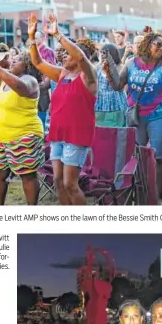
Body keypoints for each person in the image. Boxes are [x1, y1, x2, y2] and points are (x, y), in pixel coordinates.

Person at [108, 33, 162, 202]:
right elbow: (117, 85)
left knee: (160, 156)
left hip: (159, 115)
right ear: (147, 44)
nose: (161, 48)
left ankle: (158, 196)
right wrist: (108, 70)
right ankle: (140, 190)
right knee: (137, 155)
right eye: (157, 44)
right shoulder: (131, 64)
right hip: (137, 116)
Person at [29, 13, 97, 205]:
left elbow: (81, 56)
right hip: (58, 134)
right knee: (58, 181)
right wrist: (32, 38)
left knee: (70, 184)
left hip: (77, 136)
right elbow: (38, 62)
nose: (62, 56)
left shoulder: (88, 77)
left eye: (67, 54)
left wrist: (58, 35)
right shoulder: (61, 74)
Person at [0, 50, 45, 205]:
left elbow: (21, 88)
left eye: (17, 59)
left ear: (27, 64)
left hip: (24, 135)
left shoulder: (30, 80)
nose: (12, 60)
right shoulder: (4, 80)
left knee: (27, 176)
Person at [95, 44, 128, 127]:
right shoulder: (97, 68)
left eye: (104, 53)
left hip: (116, 106)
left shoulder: (120, 67)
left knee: (115, 133)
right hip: (100, 106)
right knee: (100, 133)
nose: (102, 55)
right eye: (100, 53)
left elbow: (120, 86)